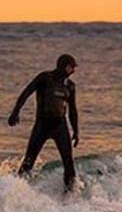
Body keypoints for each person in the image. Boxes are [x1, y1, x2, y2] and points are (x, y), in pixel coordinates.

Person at [8, 53, 80, 188]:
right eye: (71, 67)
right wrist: (15, 112)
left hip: (60, 126)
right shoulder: (45, 78)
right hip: (42, 125)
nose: (73, 71)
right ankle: (16, 190)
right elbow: (26, 93)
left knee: (68, 163)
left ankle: (70, 194)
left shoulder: (70, 86)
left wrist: (76, 131)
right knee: (29, 161)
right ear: (64, 67)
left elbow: (73, 110)